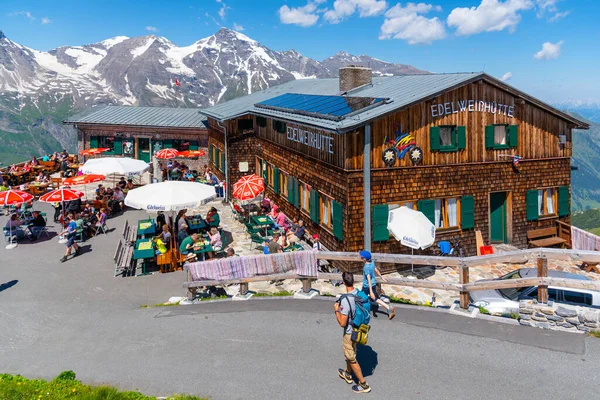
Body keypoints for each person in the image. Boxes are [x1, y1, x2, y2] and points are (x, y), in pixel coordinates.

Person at [334, 272, 372, 394]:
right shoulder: (359, 294)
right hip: (358, 329)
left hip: (349, 333)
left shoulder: (345, 300)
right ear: (353, 281)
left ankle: (363, 384)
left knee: (351, 357)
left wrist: (336, 310)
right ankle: (347, 373)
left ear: (344, 282)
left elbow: (342, 323)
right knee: (351, 351)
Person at [360, 250, 395, 320]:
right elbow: (376, 269)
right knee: (375, 298)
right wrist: (382, 277)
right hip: (373, 284)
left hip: (367, 286)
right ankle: (388, 308)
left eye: (362, 256)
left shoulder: (366, 267)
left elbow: (368, 278)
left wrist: (370, 291)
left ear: (364, 259)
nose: (360, 257)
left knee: (360, 296)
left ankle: (360, 311)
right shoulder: (372, 262)